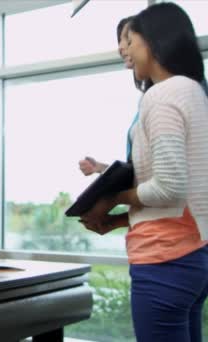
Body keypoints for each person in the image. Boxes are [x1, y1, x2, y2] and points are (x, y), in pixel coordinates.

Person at [81, 4, 208, 341]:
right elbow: (184, 194)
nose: (127, 51)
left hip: (164, 259)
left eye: (131, 41)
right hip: (194, 256)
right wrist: (117, 218)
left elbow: (169, 188)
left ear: (152, 43)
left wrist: (111, 198)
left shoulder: (162, 96)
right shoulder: (194, 91)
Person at [78, 15, 135, 176]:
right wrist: (101, 168)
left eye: (128, 40)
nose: (121, 48)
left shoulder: (168, 93)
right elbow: (139, 174)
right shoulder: (146, 98)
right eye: (120, 41)